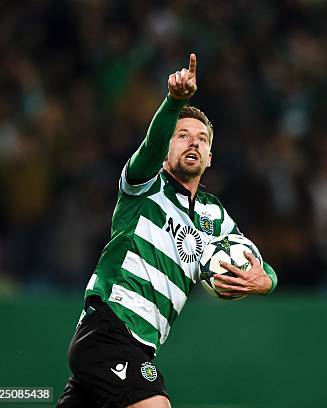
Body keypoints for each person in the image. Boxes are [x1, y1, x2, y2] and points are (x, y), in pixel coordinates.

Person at [57, 53, 278, 408]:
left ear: (210, 157)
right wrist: (175, 102)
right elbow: (150, 145)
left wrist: (264, 281)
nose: (193, 142)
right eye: (182, 135)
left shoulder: (213, 215)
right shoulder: (143, 185)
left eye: (202, 139)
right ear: (165, 148)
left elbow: (259, 264)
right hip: (111, 329)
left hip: (139, 343)